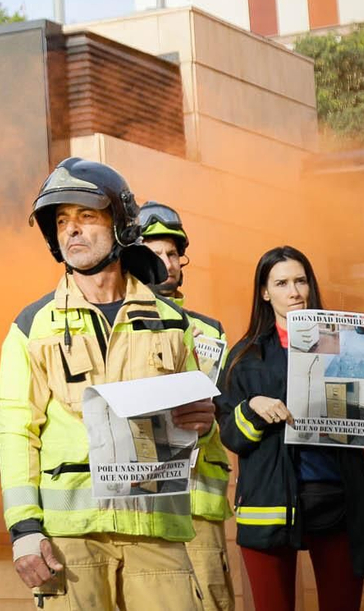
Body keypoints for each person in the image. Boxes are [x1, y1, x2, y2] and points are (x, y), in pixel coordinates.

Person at [0, 158, 213, 610]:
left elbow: (195, 421)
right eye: (61, 221)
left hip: (157, 530)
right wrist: (24, 530)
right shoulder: (32, 327)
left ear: (122, 224)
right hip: (71, 539)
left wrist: (203, 422)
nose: (71, 231)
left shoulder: (172, 322)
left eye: (86, 217)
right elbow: (16, 431)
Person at [217, 245, 364, 611]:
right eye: (281, 283)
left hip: (339, 502)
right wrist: (252, 409)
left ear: (310, 286)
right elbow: (230, 435)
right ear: (264, 292)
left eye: (300, 281)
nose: (293, 291)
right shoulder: (246, 356)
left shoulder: (352, 346)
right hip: (271, 505)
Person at [136, 201, 234, 611]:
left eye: (173, 253)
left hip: (197, 502)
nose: (167, 262)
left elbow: (226, 411)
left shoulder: (209, 330)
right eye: (155, 253)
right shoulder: (117, 324)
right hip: (139, 497)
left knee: (212, 601)